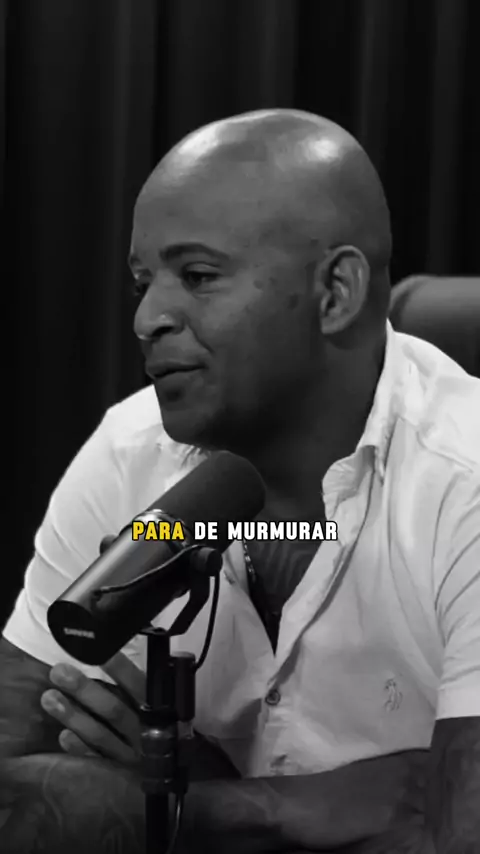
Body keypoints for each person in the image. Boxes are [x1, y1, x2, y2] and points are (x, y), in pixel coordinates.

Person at [1, 108, 479, 854]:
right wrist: (251, 806)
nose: (148, 318)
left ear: (336, 292)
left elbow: (462, 832)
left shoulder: (464, 477)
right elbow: (10, 782)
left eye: (197, 276)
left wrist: (153, 812)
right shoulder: (131, 447)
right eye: (142, 282)